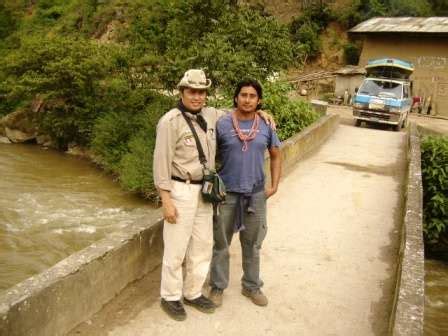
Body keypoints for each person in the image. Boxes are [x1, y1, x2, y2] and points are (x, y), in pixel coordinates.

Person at [153, 70, 275, 321]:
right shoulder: (170, 121)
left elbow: (242, 113)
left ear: (206, 95)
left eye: (201, 92)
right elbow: (160, 164)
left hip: (207, 192)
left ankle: (193, 292)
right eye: (192, 91)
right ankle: (170, 296)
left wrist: (262, 113)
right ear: (182, 92)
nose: (197, 97)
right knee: (176, 247)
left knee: (203, 245)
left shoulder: (212, 115)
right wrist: (166, 200)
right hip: (181, 189)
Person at [209, 79, 282, 307]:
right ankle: (217, 287)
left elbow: (276, 154)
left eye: (252, 96)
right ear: (236, 98)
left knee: (252, 243)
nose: (247, 99)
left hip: (255, 195)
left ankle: (251, 286)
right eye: (243, 95)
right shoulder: (221, 124)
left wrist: (275, 184)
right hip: (227, 194)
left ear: (258, 100)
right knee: (221, 243)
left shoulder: (266, 125)